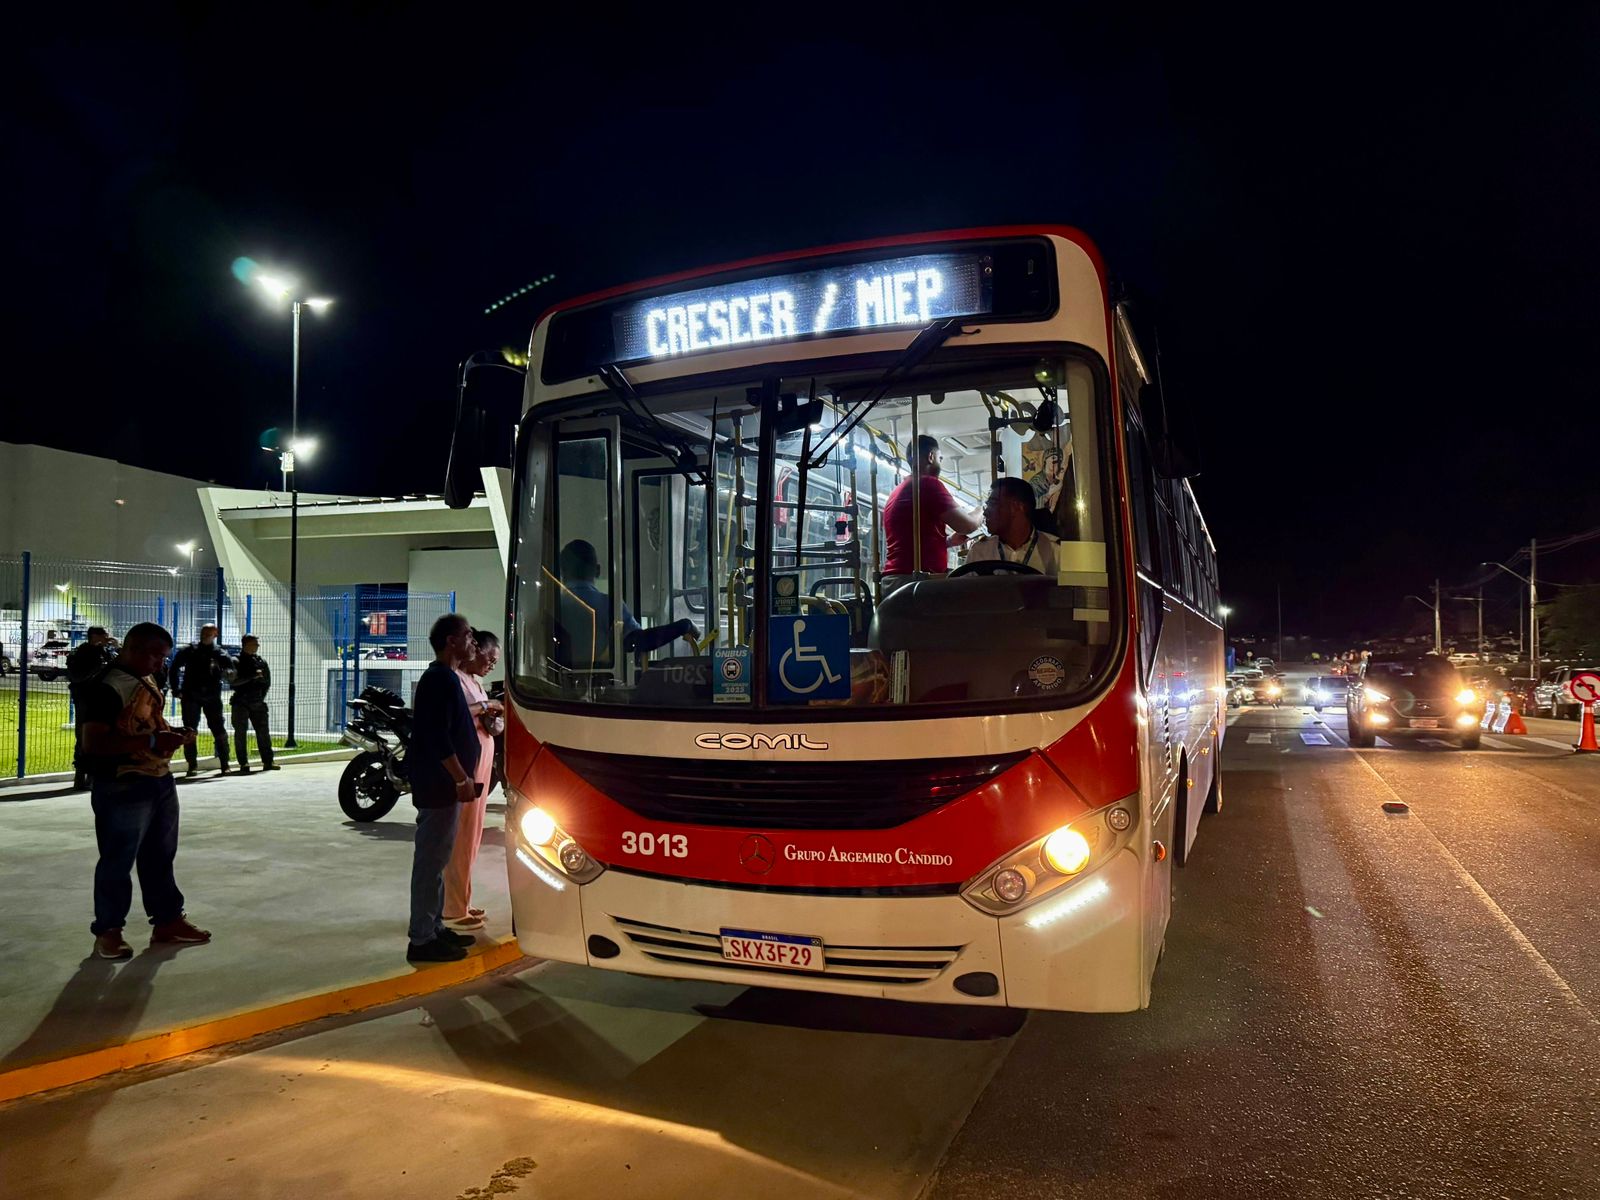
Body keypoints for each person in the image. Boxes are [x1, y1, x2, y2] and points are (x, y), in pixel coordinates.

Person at [78, 622, 210, 960]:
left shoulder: (145, 679)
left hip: (158, 779)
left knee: (160, 855)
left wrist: (171, 734)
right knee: (117, 859)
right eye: (156, 656)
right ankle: (108, 931)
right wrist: (151, 741)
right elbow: (93, 743)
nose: (160, 664)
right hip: (121, 783)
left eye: (164, 658)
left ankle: (168, 920)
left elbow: (145, 723)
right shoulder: (107, 686)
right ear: (133, 649)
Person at [405, 613, 482, 964]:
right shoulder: (438, 679)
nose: (473, 642)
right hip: (439, 786)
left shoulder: (447, 678)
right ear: (451, 641)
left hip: (445, 787)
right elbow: (437, 737)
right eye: (468, 636)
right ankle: (421, 939)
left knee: (438, 859)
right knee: (430, 862)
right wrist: (460, 778)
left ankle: (434, 927)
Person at [555, 540, 699, 669]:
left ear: (562, 572)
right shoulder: (610, 605)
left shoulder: (553, 605)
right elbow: (641, 641)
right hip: (600, 683)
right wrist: (684, 625)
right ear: (597, 570)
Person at [443, 629, 503, 932]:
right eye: (489, 658)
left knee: (472, 836)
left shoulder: (475, 683)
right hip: (466, 767)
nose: (491, 665)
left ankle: (462, 900)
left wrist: (493, 718)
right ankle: (451, 909)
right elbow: (452, 716)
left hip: (481, 765)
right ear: (474, 649)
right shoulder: (451, 679)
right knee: (460, 836)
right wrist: (486, 707)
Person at [880, 435, 981, 589]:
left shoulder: (899, 490)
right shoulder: (927, 484)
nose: (940, 462)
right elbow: (968, 526)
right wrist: (980, 511)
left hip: (898, 580)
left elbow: (908, 543)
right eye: (940, 458)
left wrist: (948, 542)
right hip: (914, 582)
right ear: (931, 456)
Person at [170, 625, 234, 778]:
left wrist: (228, 673)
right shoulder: (190, 650)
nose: (205, 636)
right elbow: (174, 668)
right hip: (191, 695)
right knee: (189, 730)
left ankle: (225, 764)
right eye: (203, 633)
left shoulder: (220, 652)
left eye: (208, 633)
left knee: (219, 730)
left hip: (212, 696)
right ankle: (192, 765)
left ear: (215, 634)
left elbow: (231, 671)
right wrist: (176, 689)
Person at [965, 477, 1060, 575]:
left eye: (993, 504)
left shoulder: (1056, 551)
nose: (985, 512)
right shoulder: (979, 551)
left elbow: (1067, 585)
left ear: (1016, 507)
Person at [68, 627, 118, 790]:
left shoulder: (106, 652)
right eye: (104, 635)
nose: (107, 638)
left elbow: (119, 668)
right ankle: (80, 774)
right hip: (85, 699)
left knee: (102, 736)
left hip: (103, 699)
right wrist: (98, 663)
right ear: (94, 636)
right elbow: (76, 676)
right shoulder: (81, 653)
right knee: (83, 737)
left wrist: (117, 649)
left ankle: (93, 775)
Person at [230, 635, 278, 774]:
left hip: (257, 701)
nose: (257, 646)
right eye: (255, 644)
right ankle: (243, 763)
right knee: (240, 733)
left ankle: (268, 761)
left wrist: (260, 696)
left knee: (263, 732)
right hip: (240, 702)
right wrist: (252, 676)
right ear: (246, 644)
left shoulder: (260, 661)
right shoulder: (235, 661)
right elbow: (233, 682)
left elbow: (267, 682)